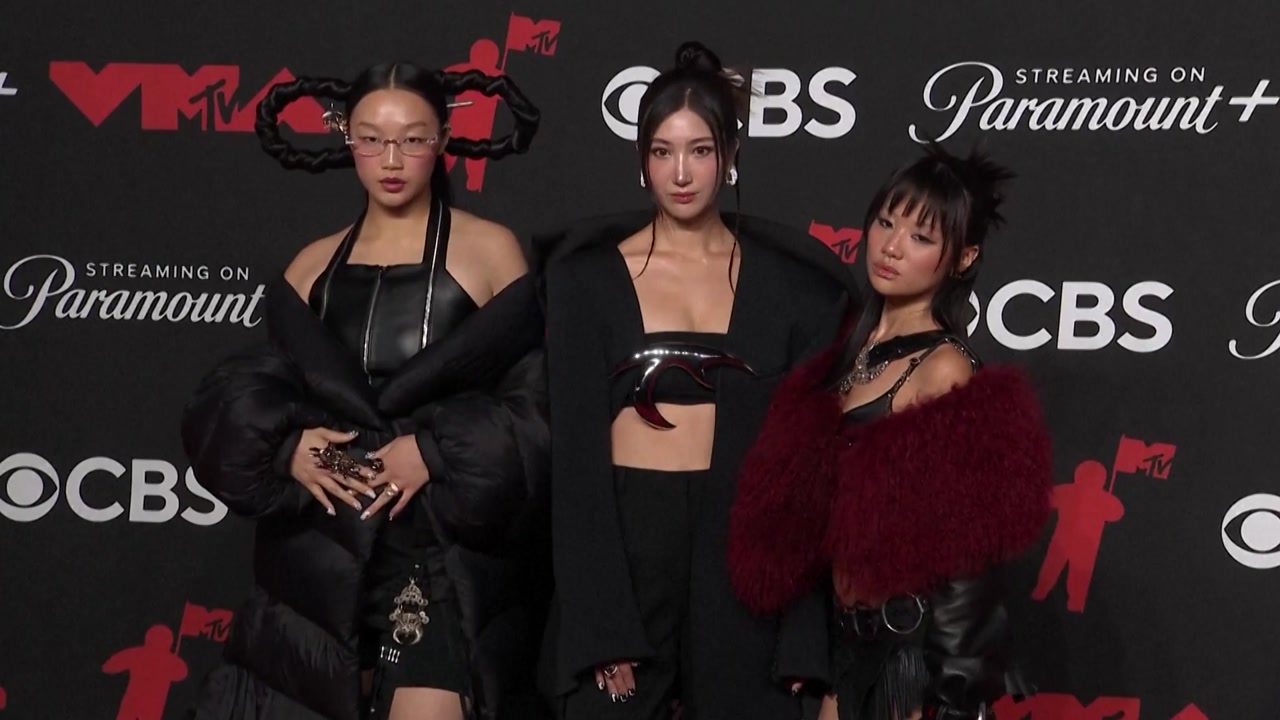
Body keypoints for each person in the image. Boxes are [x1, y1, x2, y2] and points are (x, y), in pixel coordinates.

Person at [179, 62, 550, 720]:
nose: (392, 160)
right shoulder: (310, 265)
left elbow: (537, 403)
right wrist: (290, 448)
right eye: (372, 139)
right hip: (324, 558)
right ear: (346, 139)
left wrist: (433, 451)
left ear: (443, 140)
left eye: (413, 138)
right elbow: (244, 399)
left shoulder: (491, 251)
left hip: (439, 553)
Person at [534, 41, 859, 720]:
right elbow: (577, 471)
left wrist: (801, 636)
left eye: (701, 150)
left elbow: (801, 478)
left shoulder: (794, 291)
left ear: (731, 154)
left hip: (741, 550)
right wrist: (599, 624)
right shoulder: (583, 281)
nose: (681, 173)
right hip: (630, 539)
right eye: (662, 151)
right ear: (641, 161)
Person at [727, 143, 1054, 720]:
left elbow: (965, 553)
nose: (892, 246)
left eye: (921, 237)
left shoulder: (944, 368)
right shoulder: (842, 352)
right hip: (840, 649)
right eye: (885, 222)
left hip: (906, 663)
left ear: (963, 258)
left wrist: (949, 694)